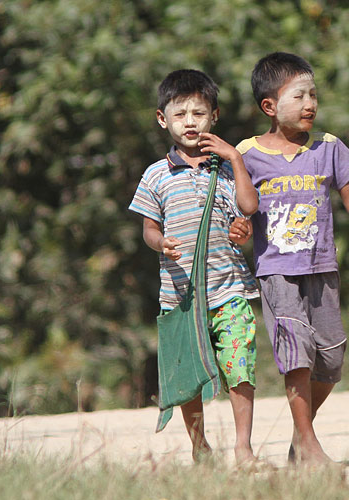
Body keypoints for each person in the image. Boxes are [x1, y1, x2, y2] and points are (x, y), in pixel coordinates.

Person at [233, 52, 349, 465]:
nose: (309, 104)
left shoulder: (328, 148)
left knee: (331, 358)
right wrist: (237, 234)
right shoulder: (246, 154)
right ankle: (310, 445)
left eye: (313, 94)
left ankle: (299, 436)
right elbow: (239, 209)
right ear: (269, 107)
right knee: (296, 352)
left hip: (323, 268)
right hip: (276, 272)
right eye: (298, 96)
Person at [129, 69, 260, 465]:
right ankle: (200, 448)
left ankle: (243, 447)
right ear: (161, 118)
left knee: (240, 365)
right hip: (181, 295)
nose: (190, 122)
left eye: (199, 113)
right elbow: (149, 230)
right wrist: (161, 244)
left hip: (230, 287)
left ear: (214, 116)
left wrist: (235, 159)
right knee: (187, 378)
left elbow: (247, 212)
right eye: (180, 113)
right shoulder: (156, 174)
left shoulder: (226, 168)